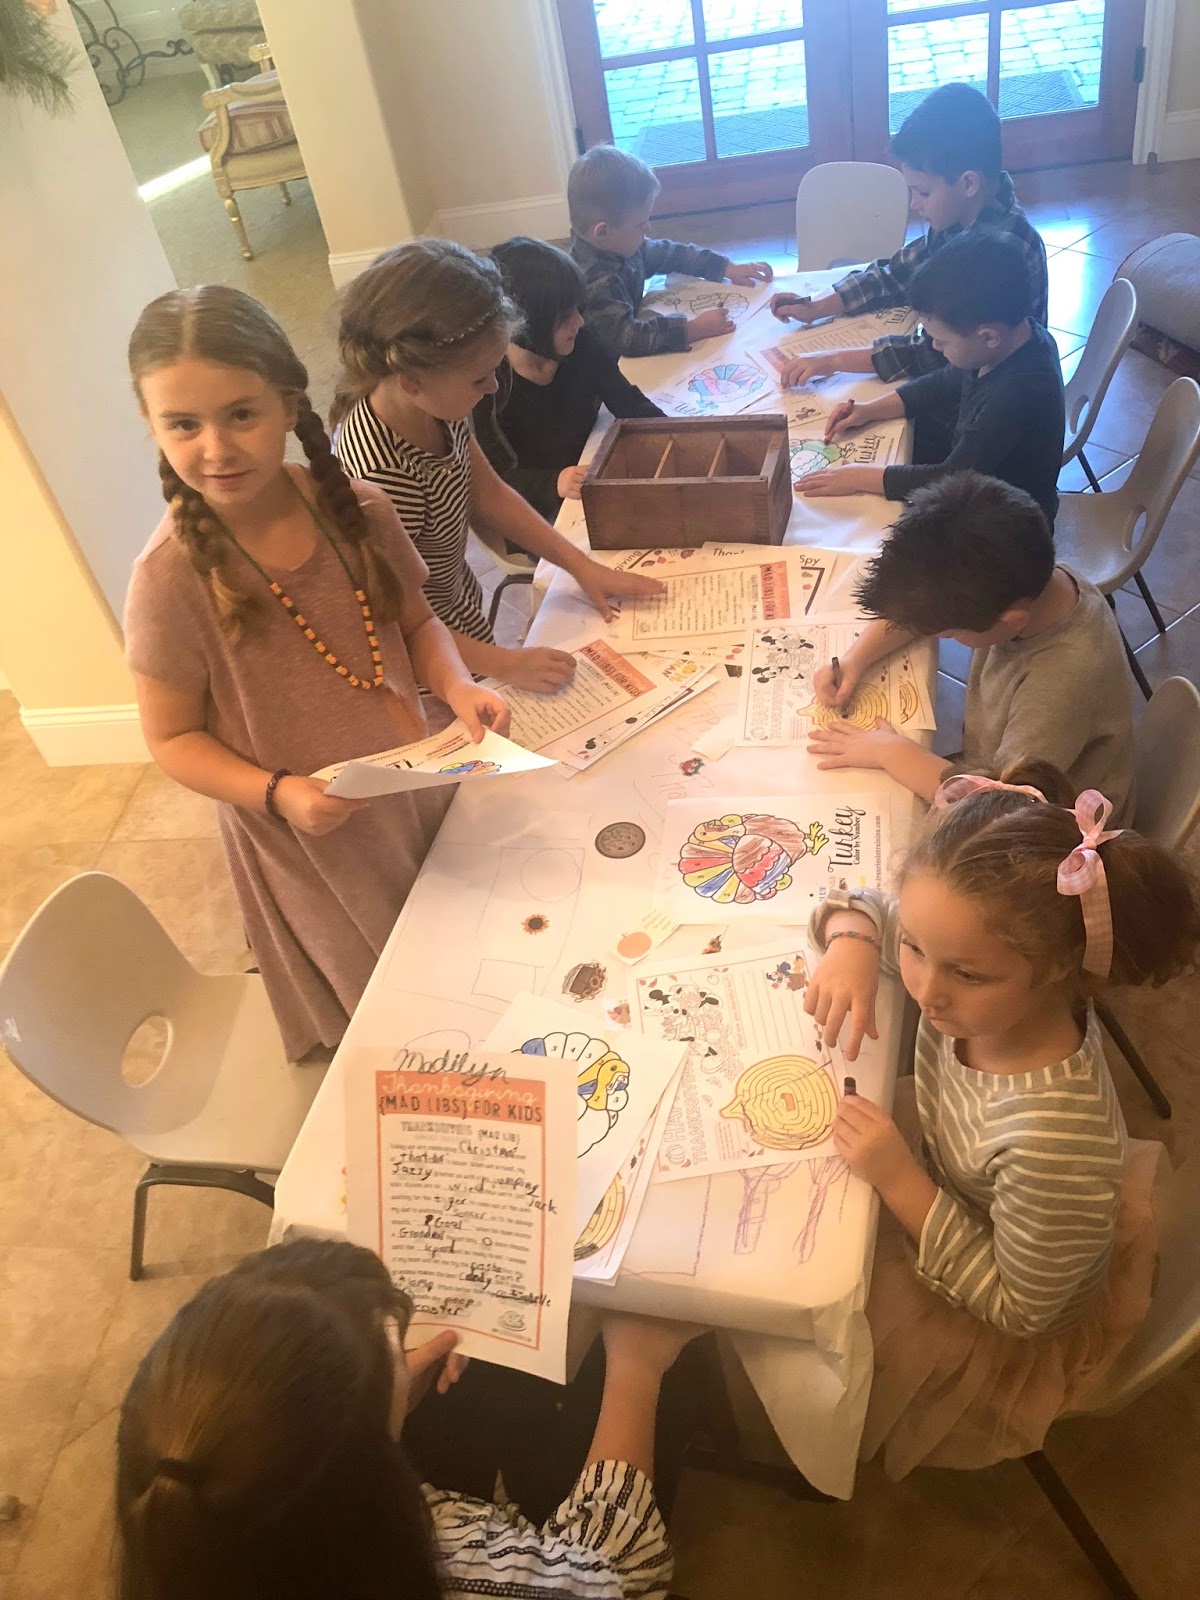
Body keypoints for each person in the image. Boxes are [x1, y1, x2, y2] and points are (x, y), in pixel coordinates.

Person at [124, 286, 508, 1063]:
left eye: (241, 414)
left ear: (289, 404)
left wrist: (456, 684)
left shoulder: (359, 511)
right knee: (396, 1026)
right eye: (184, 424)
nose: (216, 448)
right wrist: (279, 794)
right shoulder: (167, 579)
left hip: (410, 787)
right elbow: (171, 739)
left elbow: (418, 624)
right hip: (313, 841)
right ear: (151, 424)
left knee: (462, 960)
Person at [804, 765, 1198, 1478]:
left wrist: (901, 1180)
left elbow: (1025, 1311)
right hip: (963, 1175)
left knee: (811, 1316)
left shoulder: (1051, 1142)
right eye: (914, 949)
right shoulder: (973, 952)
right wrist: (853, 940)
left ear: (1059, 968)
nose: (926, 990)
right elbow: (872, 904)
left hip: (1000, 1307)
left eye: (966, 974)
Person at [115, 1237, 703, 1599]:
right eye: (394, 1349)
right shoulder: (454, 1562)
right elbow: (619, 1575)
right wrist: (637, 1365)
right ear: (371, 1476)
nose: (406, 1352)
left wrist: (384, 1403)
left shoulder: (185, 1528)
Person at [333, 239, 662, 695]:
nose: (492, 388)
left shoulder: (436, 406)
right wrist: (504, 662)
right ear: (412, 381)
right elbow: (397, 626)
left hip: (459, 621)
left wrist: (580, 566)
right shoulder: (377, 477)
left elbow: (489, 493)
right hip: (429, 667)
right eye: (479, 378)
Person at [807, 472, 1136, 824]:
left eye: (949, 633)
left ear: (1012, 621)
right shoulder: (1029, 579)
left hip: (1051, 825)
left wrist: (891, 752)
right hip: (1003, 770)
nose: (942, 634)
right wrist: (856, 659)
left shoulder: (1061, 683)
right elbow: (924, 608)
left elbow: (1000, 806)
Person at [771, 82, 1048, 385]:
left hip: (983, 395)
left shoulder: (1002, 252)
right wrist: (817, 306)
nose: (914, 204)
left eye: (923, 192)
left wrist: (834, 360)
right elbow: (898, 273)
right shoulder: (960, 216)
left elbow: (931, 354)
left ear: (968, 183)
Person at [794, 232, 1065, 522]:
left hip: (1008, 527)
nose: (934, 346)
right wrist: (869, 410)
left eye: (941, 340)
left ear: (988, 336)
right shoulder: (1010, 341)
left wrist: (859, 477)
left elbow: (952, 477)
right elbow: (943, 383)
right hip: (978, 490)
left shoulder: (1018, 394)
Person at [473, 235, 664, 524]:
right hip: (538, 506)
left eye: (578, 308)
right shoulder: (491, 384)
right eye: (564, 316)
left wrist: (678, 432)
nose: (579, 321)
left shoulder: (582, 343)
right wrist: (553, 482)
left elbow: (628, 402)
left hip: (591, 468)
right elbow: (493, 480)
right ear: (525, 324)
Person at [568, 143, 774, 357]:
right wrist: (694, 329)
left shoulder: (618, 246)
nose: (648, 229)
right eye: (640, 225)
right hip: (602, 369)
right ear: (602, 232)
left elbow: (670, 254)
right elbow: (629, 338)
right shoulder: (594, 283)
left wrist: (726, 267)